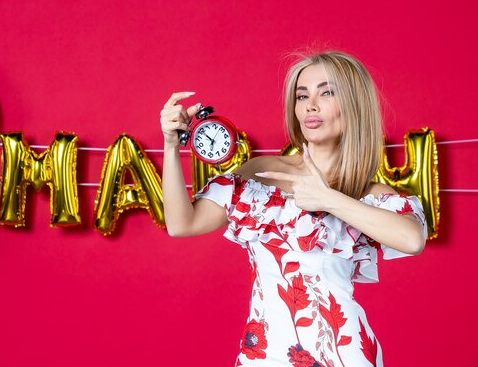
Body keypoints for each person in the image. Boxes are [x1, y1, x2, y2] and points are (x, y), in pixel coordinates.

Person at [159, 50, 427, 367]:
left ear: (354, 105)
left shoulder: (369, 195)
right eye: (302, 95)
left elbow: (412, 240)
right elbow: (181, 224)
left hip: (345, 356)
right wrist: (171, 145)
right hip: (264, 353)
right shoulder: (262, 173)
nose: (310, 105)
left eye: (326, 92)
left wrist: (328, 198)